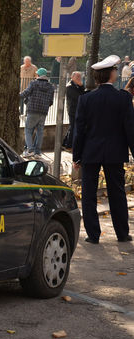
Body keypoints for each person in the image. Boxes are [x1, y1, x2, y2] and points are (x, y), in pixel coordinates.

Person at [73, 55, 134, 244]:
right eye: (115, 70)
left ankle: (93, 235)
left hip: (90, 152)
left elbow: (79, 130)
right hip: (115, 153)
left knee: (89, 194)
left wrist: (76, 156)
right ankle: (122, 234)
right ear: (112, 74)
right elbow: (130, 129)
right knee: (117, 193)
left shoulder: (86, 99)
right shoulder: (123, 98)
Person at [19, 68, 55, 158]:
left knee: (28, 130)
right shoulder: (51, 86)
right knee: (40, 132)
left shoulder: (33, 83)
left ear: (38, 75)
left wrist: (17, 95)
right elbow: (51, 101)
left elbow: (26, 93)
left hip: (32, 110)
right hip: (43, 112)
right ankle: (37, 152)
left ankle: (30, 150)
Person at [62, 71, 85, 150]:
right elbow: (79, 97)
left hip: (78, 109)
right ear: (72, 77)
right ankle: (69, 145)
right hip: (72, 109)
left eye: (80, 77)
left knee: (72, 126)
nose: (79, 78)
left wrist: (81, 86)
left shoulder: (78, 85)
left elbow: (84, 94)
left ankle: (65, 143)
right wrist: (81, 87)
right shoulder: (70, 86)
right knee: (73, 127)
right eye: (77, 77)